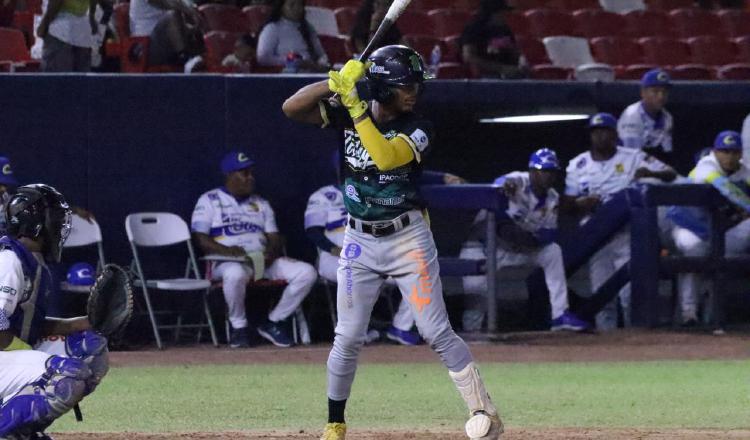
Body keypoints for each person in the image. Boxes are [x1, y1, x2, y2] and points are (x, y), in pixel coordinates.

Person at [282, 45, 503, 440]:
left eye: (415, 85)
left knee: (435, 330)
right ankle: (335, 423)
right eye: (404, 85)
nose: (413, 92)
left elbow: (385, 157)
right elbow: (291, 109)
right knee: (347, 336)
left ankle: (484, 411)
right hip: (359, 240)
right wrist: (332, 82)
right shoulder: (351, 109)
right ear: (382, 87)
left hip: (407, 239)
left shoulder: (420, 126)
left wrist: (355, 107)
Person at [304, 157, 463, 345]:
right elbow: (313, 231)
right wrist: (335, 249)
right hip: (335, 258)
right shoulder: (323, 195)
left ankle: (401, 328)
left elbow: (407, 176)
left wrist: (442, 177)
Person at [0, 184, 109, 439]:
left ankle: (21, 432)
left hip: (6, 356)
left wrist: (78, 324)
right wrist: (37, 357)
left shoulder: (30, 259)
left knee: (89, 345)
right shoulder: (8, 261)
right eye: (55, 220)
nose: (60, 227)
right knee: (64, 373)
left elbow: (25, 323)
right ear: (36, 224)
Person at [191, 151, 317, 349]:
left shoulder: (260, 203)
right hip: (228, 261)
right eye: (244, 173)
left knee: (306, 272)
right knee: (234, 274)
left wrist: (270, 254)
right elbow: (200, 238)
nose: (250, 178)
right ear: (229, 176)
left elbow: (274, 237)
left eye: (251, 173)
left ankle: (273, 322)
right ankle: (238, 327)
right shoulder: (209, 200)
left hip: (261, 260)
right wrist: (231, 252)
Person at [563, 113, 677, 331]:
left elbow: (670, 173)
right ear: (590, 135)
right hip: (595, 238)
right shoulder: (578, 164)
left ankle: (633, 345)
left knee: (630, 295)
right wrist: (582, 203)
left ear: (615, 133)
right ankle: (607, 349)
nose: (601, 136)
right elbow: (567, 206)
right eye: (596, 132)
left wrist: (649, 172)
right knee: (602, 295)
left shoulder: (632, 156)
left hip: (627, 234)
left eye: (606, 131)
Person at [460, 148, 590, 333]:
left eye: (551, 171)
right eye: (543, 171)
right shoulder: (519, 180)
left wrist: (521, 235)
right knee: (475, 300)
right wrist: (503, 188)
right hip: (483, 248)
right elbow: (499, 185)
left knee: (553, 251)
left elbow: (547, 236)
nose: (548, 176)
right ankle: (470, 335)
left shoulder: (552, 199)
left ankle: (560, 315)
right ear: (532, 171)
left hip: (518, 248)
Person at [668, 130, 750, 325]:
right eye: (724, 151)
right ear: (715, 152)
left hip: (719, 229)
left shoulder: (744, 169)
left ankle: (712, 316)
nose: (729, 157)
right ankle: (688, 313)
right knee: (693, 252)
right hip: (688, 225)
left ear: (740, 154)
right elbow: (725, 188)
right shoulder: (706, 165)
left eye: (733, 152)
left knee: (720, 263)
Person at [617, 68, 674, 164]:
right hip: (621, 165)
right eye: (655, 91)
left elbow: (666, 153)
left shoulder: (667, 118)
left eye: (664, 92)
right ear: (643, 93)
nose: (661, 96)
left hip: (648, 163)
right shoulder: (632, 115)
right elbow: (631, 155)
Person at [459, 0, 526, 79]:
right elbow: (469, 57)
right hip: (486, 76)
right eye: (502, 12)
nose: (506, 15)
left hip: (510, 73)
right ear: (492, 13)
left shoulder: (505, 29)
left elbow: (515, 50)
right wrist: (501, 68)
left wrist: (522, 59)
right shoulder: (474, 29)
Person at [256, 0, 329, 73]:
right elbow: (263, 58)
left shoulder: (308, 28)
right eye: (292, 5)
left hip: (312, 73)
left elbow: (321, 54)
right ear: (282, 8)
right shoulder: (272, 28)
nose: (297, 8)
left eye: (300, 4)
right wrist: (293, 61)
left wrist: (320, 64)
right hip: (287, 77)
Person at [129, 0, 205, 67]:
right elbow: (162, 2)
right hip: (145, 46)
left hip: (163, 41)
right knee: (172, 15)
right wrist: (187, 9)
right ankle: (185, 59)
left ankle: (203, 58)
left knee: (197, 19)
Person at [36, 0, 103, 71]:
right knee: (81, 77)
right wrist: (91, 17)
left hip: (60, 27)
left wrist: (44, 25)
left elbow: (56, 2)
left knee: (57, 77)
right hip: (81, 26)